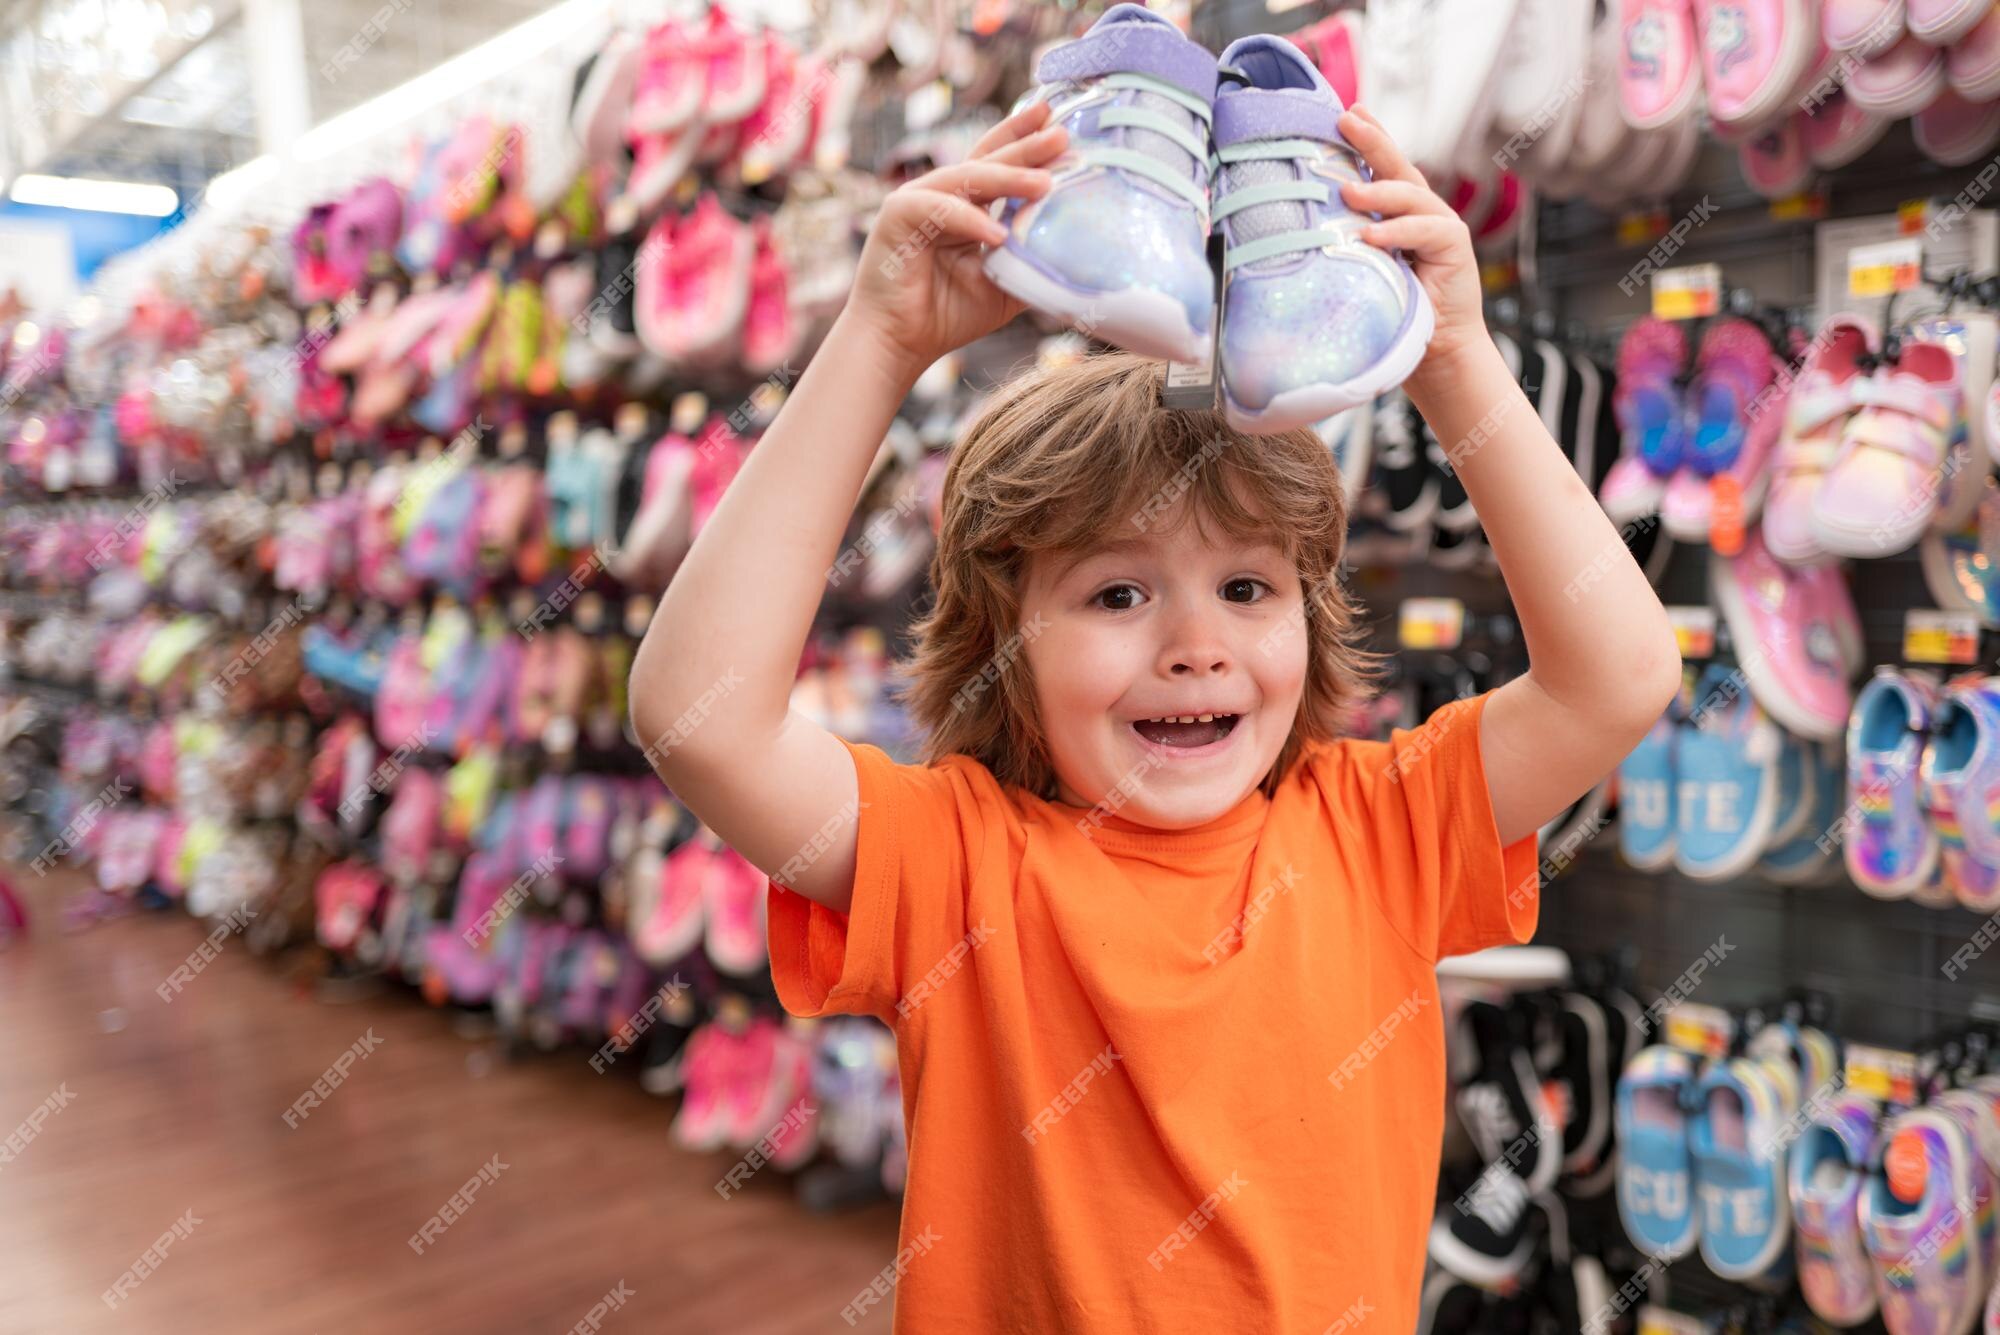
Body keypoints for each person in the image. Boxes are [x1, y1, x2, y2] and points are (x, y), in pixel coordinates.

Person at [630, 97, 1680, 1335]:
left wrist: (1455, 359)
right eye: (1116, 592)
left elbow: (1616, 675)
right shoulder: (957, 864)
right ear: (1000, 639)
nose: (1194, 648)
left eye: (1245, 587)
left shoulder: (1379, 829)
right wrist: (877, 340)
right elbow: (697, 717)